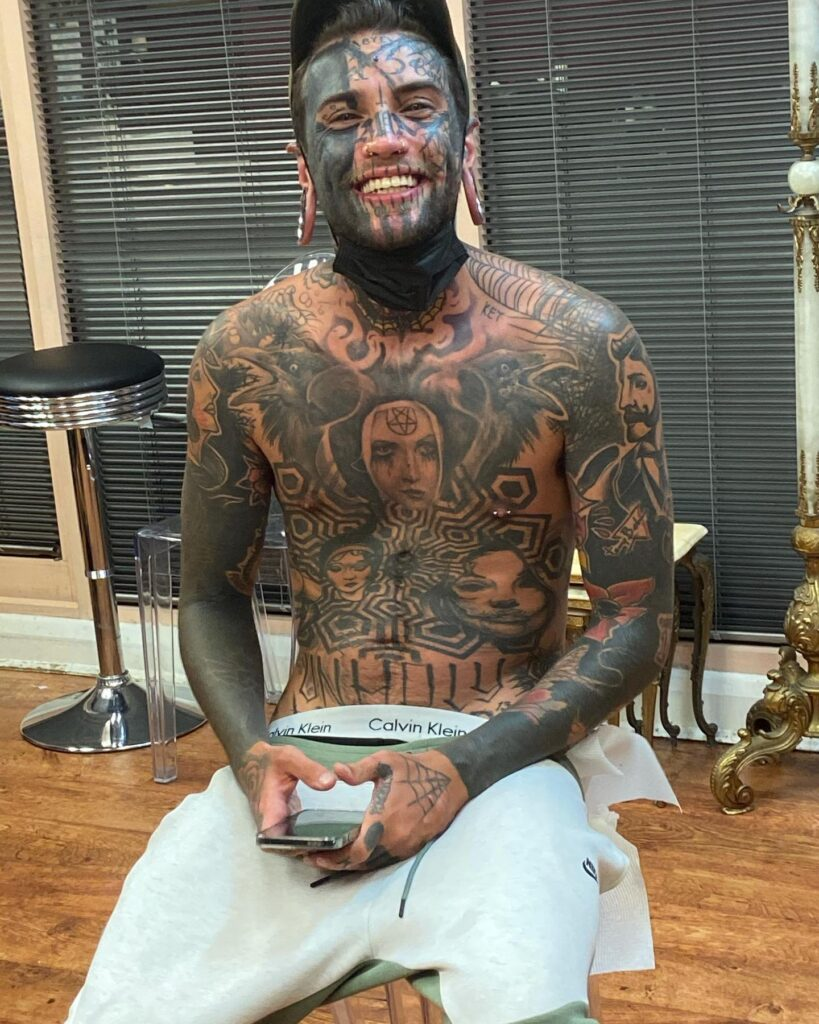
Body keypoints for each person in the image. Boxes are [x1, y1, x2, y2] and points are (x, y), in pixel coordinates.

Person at [65, 2, 679, 1022]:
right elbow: (209, 596)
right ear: (304, 167)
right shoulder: (244, 354)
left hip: (501, 752)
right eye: (344, 115)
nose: (384, 136)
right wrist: (252, 753)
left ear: (465, 146)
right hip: (305, 756)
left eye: (416, 105)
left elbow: (634, 616)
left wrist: (463, 768)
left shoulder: (582, 347)